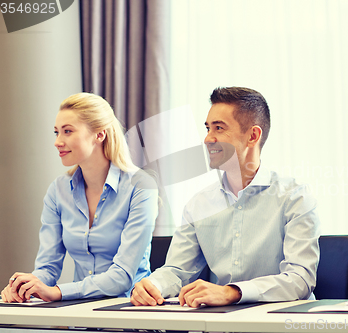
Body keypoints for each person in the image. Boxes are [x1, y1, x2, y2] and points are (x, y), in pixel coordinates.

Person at [130, 87, 320, 307]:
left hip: (280, 324)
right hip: (219, 324)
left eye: (219, 128)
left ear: (252, 136)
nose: (208, 139)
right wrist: (153, 285)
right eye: (208, 128)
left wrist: (233, 292)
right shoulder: (198, 204)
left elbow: (300, 279)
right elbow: (177, 270)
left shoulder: (295, 197)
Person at [1, 93, 158, 303]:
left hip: (129, 310)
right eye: (56, 132)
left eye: (67, 131)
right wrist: (26, 286)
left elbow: (121, 277)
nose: (58, 142)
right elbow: (47, 267)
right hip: (79, 312)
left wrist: (58, 292)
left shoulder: (141, 186)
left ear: (99, 135)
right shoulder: (58, 190)